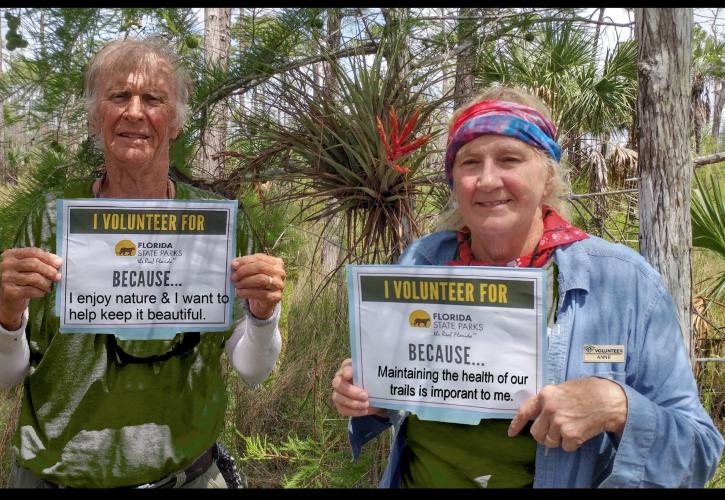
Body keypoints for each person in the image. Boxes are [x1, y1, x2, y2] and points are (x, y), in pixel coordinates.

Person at [331, 86, 724, 488]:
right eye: (469, 162)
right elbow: (396, 396)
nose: (486, 179)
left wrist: (616, 406)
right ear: (453, 180)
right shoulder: (423, 261)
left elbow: (699, 453)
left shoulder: (625, 284)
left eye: (509, 159)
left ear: (548, 173)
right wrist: (369, 396)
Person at [0, 37, 286, 488]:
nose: (135, 112)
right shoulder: (52, 217)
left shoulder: (216, 224)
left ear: (174, 122)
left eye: (153, 99)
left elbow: (253, 370)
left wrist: (264, 314)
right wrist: (8, 313)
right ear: (97, 117)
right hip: (60, 477)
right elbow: (6, 376)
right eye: (119, 97)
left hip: (187, 475)